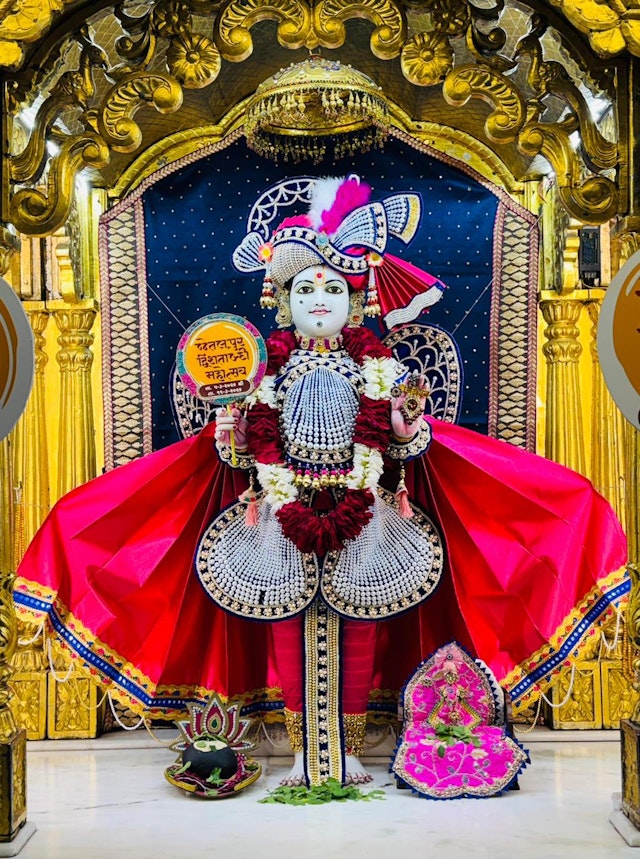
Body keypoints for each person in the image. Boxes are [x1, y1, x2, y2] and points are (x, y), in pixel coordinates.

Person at [14, 175, 628, 789]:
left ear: (355, 303)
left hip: (367, 510)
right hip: (277, 511)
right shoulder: (262, 373)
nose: (318, 298)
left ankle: (350, 751)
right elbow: (239, 455)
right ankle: (303, 752)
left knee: (362, 622)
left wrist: (404, 428)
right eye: (304, 287)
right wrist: (232, 432)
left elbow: (405, 446)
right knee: (284, 620)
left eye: (333, 287)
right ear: (282, 300)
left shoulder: (380, 370)